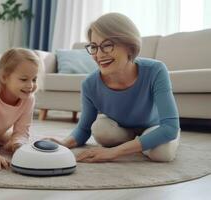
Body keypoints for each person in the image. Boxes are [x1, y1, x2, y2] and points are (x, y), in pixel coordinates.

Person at [51, 13, 180, 163]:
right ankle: (139, 144)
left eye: (106, 45)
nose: (99, 55)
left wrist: (113, 152)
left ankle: (143, 143)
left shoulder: (156, 70)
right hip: (123, 130)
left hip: (155, 127)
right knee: (100, 129)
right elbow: (84, 129)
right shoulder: (90, 84)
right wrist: (64, 143)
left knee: (162, 153)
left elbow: (170, 127)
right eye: (94, 47)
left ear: (129, 46)